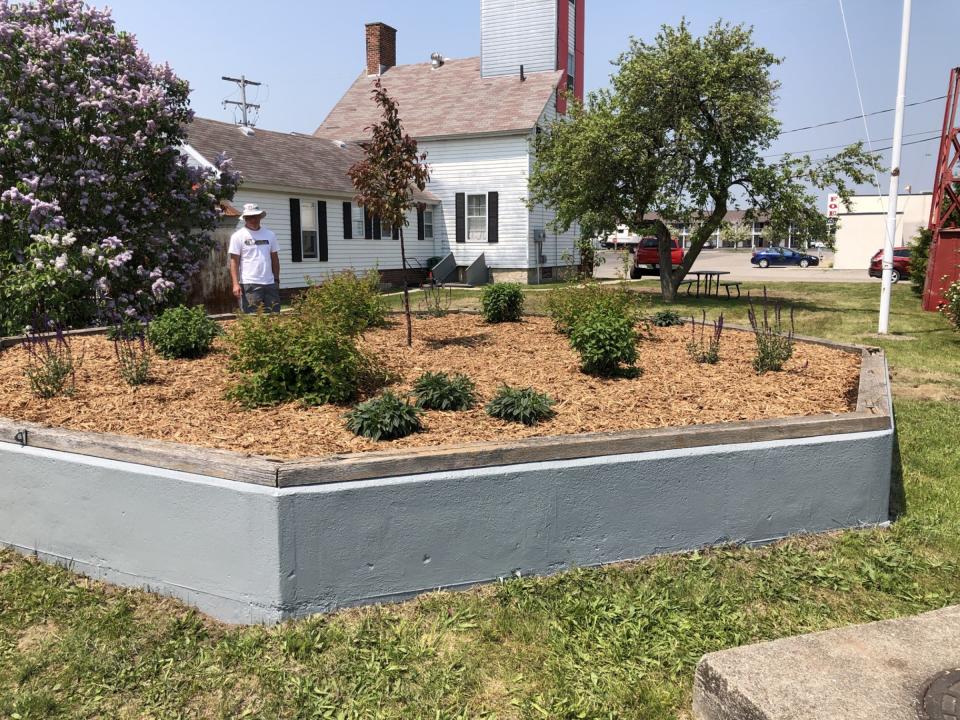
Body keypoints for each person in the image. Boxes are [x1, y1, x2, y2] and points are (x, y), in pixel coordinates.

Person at [229, 203, 281, 313]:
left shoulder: (270, 235)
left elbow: (275, 259)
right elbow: (234, 262)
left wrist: (276, 279)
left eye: (255, 216)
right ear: (245, 218)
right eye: (249, 217)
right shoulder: (238, 236)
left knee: (274, 316)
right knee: (253, 318)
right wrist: (235, 284)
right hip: (249, 283)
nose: (253, 219)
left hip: (270, 283)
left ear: (260, 217)